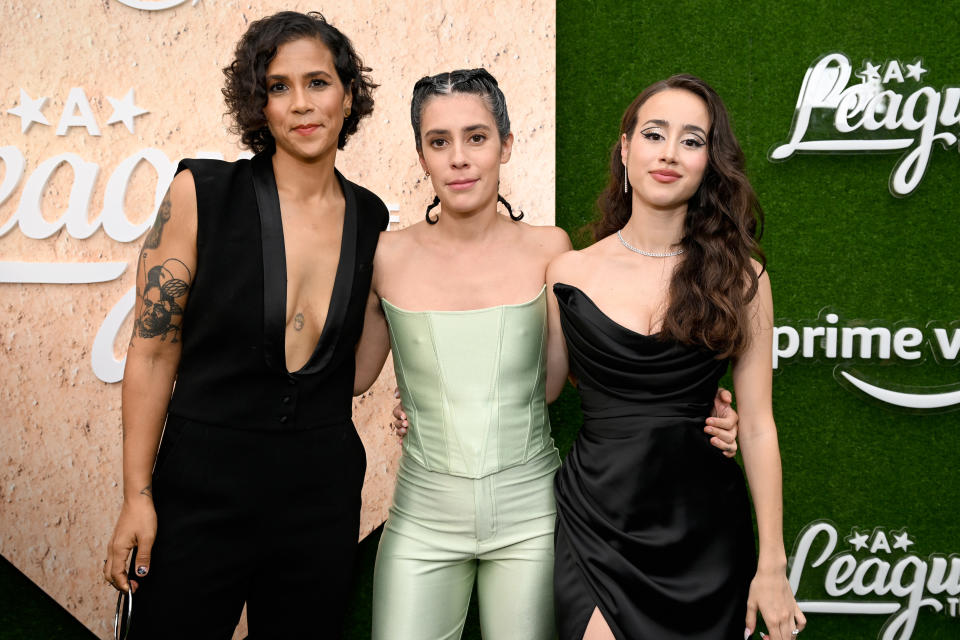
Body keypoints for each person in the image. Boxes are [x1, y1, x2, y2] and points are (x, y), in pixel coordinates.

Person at [355, 69, 740, 640]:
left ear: (507, 145)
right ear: (421, 155)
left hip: (533, 517)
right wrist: (418, 397)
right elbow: (355, 376)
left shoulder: (552, 251)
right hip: (421, 517)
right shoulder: (383, 255)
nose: (459, 158)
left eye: (477, 137)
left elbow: (571, 377)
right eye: (439, 142)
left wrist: (697, 408)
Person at [102, 11, 387, 638]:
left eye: (318, 82)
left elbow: (359, 375)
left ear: (347, 95)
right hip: (201, 486)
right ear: (258, 106)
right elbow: (151, 353)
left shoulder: (371, 215)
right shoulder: (200, 191)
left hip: (319, 491)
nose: (301, 104)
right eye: (278, 87)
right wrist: (137, 495)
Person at [546, 74, 806, 640]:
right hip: (593, 528)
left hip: (705, 535)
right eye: (654, 134)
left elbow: (758, 425)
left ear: (710, 161)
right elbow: (541, 388)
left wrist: (773, 567)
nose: (668, 153)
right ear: (625, 147)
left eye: (691, 140)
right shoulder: (567, 271)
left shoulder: (743, 278)